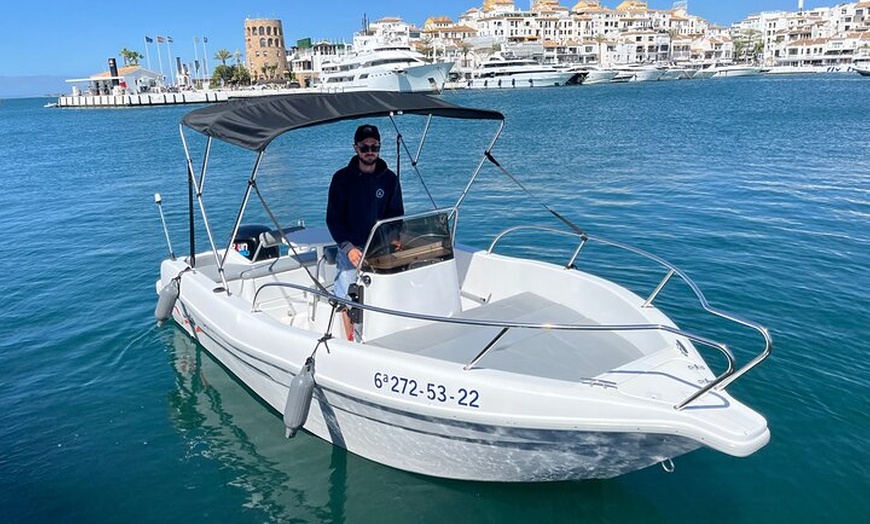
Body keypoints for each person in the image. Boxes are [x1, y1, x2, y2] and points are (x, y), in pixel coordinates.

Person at [326, 124, 404, 340]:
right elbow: (333, 220)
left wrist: (394, 236)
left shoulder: (389, 179)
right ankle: (350, 340)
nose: (370, 152)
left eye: (375, 147)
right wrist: (348, 248)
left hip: (380, 247)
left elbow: (396, 213)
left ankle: (381, 334)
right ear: (356, 148)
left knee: (381, 294)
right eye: (365, 147)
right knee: (346, 298)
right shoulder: (341, 179)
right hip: (352, 248)